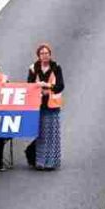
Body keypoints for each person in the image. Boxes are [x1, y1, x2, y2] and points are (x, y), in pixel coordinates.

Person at [27, 43, 65, 171]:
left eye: (47, 53)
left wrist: (48, 86)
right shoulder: (33, 68)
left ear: (50, 55)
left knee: (51, 134)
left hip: (52, 106)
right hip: (38, 105)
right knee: (41, 134)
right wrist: (38, 86)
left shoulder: (56, 67)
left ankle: (51, 162)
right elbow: (29, 85)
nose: (44, 56)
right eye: (42, 53)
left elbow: (60, 85)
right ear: (38, 56)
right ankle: (39, 161)